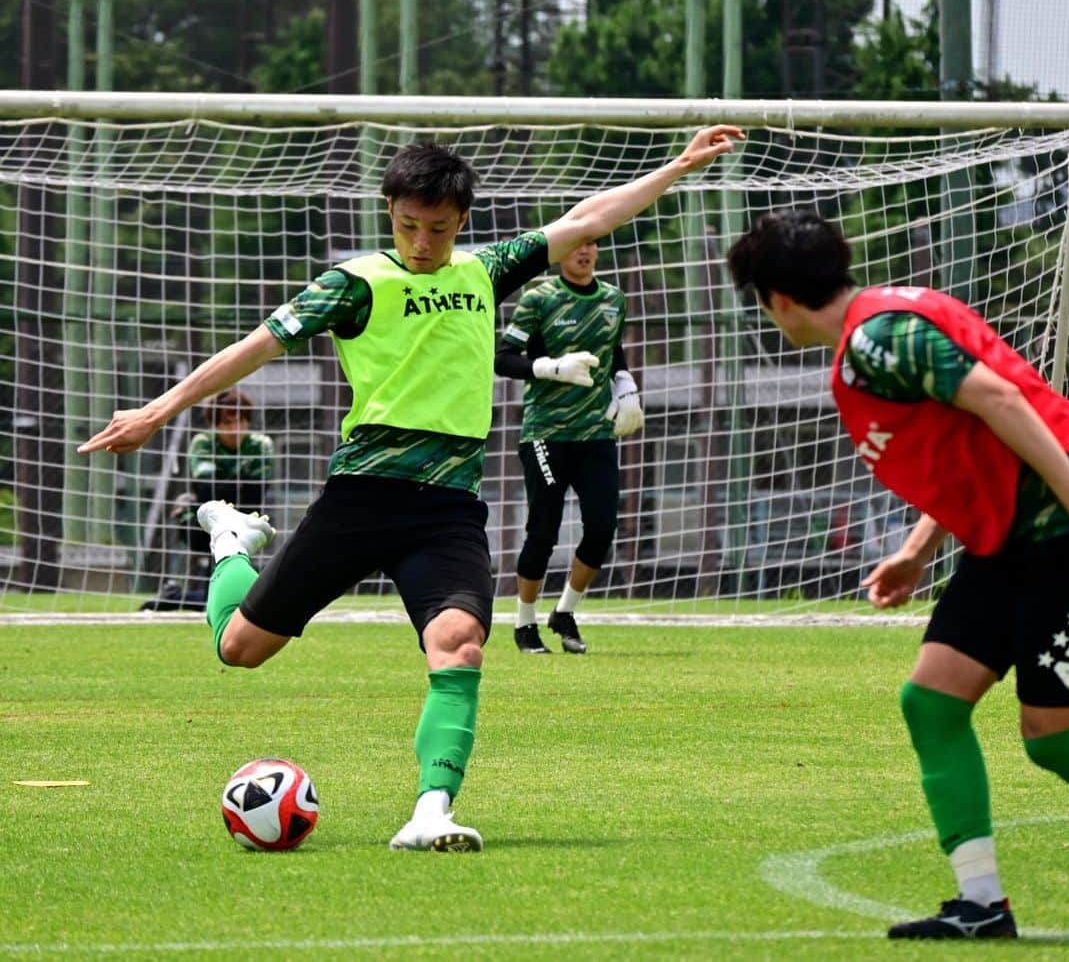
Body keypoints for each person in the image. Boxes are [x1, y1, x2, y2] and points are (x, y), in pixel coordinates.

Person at [80, 125, 744, 852]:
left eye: (436, 228)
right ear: (388, 213)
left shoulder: (486, 271)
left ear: (460, 222)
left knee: (459, 644)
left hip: (448, 508)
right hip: (361, 496)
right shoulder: (354, 283)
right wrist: (156, 410)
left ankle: (431, 810)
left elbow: (591, 218)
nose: (421, 242)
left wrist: (678, 165)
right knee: (239, 648)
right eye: (406, 225)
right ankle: (231, 543)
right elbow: (255, 347)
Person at [728, 208, 1069, 940]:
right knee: (933, 700)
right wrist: (920, 547)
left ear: (778, 299)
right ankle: (982, 904)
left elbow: (1003, 400)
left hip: (1057, 531)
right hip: (1007, 540)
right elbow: (970, 439)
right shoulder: (886, 324)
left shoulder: (879, 338)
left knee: (1054, 738)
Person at [495, 240, 643, 655]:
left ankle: (564, 612)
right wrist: (549, 368)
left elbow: (612, 352)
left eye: (592, 244)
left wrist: (626, 383)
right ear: (561, 251)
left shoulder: (614, 297)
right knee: (543, 531)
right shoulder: (539, 298)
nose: (584, 251)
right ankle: (524, 625)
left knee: (602, 527)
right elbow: (503, 359)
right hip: (546, 433)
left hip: (596, 433)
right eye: (576, 244)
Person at [143, 389, 275, 611]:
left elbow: (256, 491)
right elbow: (206, 491)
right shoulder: (203, 443)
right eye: (227, 422)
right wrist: (235, 487)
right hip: (201, 524)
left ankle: (176, 596)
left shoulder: (260, 444)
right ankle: (182, 596)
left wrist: (220, 492)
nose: (235, 429)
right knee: (205, 519)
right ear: (215, 423)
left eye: (240, 421)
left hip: (246, 516)